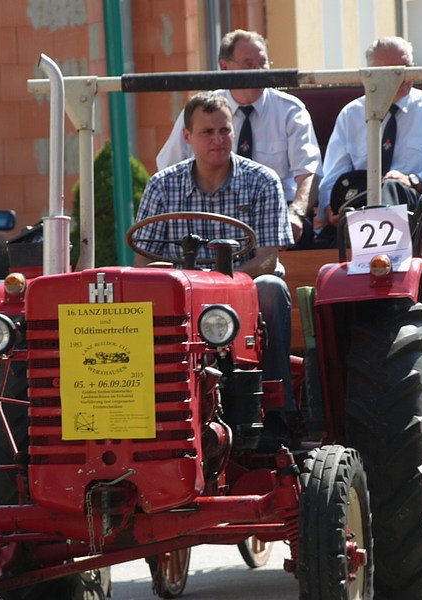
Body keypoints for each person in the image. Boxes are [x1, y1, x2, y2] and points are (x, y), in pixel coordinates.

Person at [135, 92, 295, 449]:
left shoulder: (263, 181)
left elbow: (268, 257)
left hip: (242, 289)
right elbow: (143, 260)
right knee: (138, 300)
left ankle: (275, 410)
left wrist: (221, 285)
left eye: (224, 130)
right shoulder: (162, 186)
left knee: (271, 287)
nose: (218, 139)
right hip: (180, 294)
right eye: (207, 132)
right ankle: (149, 408)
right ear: (187, 137)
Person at [156, 29, 321, 247]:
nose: (258, 71)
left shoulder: (290, 110)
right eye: (248, 64)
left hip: (278, 214)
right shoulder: (201, 110)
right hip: (212, 215)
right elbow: (168, 171)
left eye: (263, 63)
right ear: (224, 67)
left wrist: (296, 213)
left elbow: (309, 173)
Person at [317, 36, 422, 228]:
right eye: (391, 70)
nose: (401, 76)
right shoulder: (351, 114)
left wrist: (412, 181)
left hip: (421, 211)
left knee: (391, 187)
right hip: (360, 212)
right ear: (370, 74)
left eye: (407, 67)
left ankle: (380, 246)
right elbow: (333, 176)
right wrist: (330, 208)